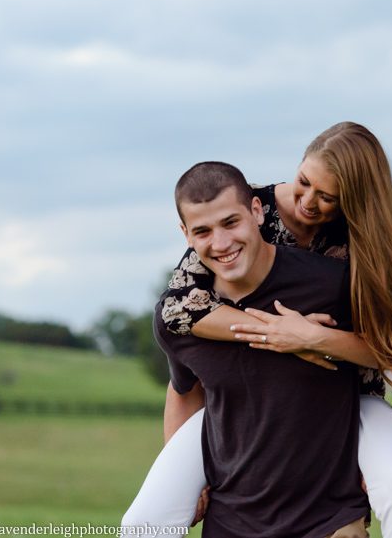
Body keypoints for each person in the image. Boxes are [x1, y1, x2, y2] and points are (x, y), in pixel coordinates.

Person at [122, 123, 392, 538]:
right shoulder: (239, 213)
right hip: (236, 400)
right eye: (303, 182)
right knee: (142, 523)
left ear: (357, 202)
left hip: (347, 396)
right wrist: (276, 335)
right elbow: (177, 310)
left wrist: (314, 338)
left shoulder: (364, 250)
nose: (307, 202)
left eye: (327, 197)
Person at [129, 161, 370, 537]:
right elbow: (183, 390)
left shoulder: (335, 282)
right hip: (232, 520)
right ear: (185, 235)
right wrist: (189, 484)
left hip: (328, 518)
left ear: (257, 211)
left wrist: (316, 338)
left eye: (230, 223)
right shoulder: (179, 316)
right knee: (139, 527)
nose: (221, 244)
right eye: (203, 231)